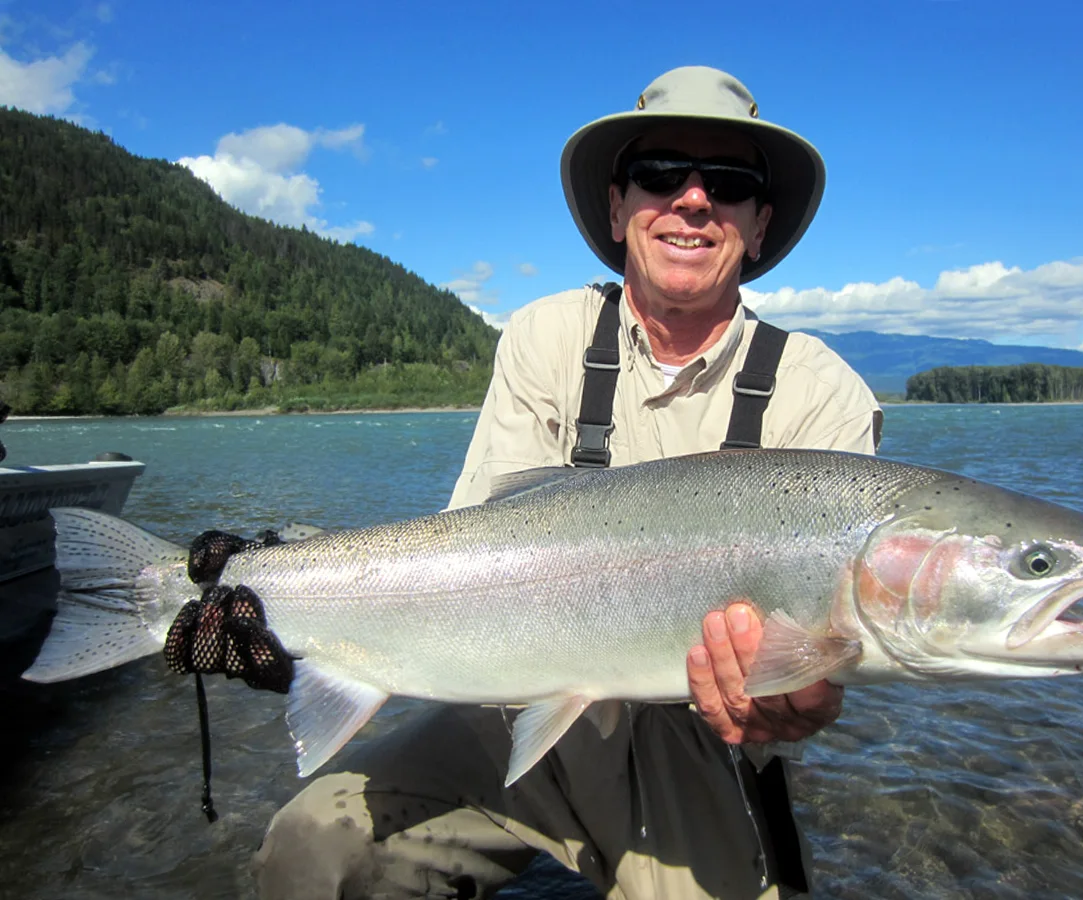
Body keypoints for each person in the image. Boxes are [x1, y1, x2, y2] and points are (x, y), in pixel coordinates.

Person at [254, 65, 881, 900]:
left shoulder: (822, 391)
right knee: (314, 848)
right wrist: (290, 602)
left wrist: (804, 698)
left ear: (759, 226)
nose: (694, 200)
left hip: (700, 743)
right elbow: (470, 558)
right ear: (618, 207)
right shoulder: (544, 338)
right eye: (663, 175)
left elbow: (819, 665)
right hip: (515, 707)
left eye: (728, 184)